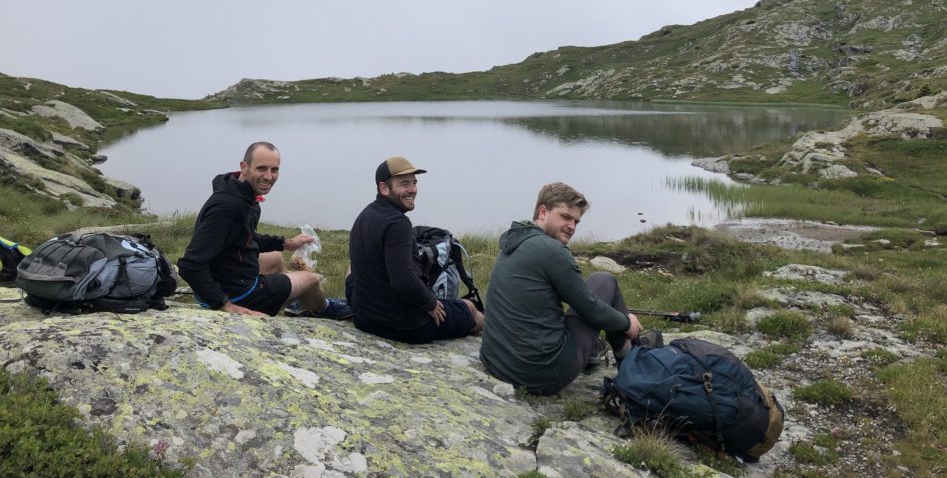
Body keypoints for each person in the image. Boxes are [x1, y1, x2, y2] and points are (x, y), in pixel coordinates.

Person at [480, 182, 644, 395]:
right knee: (603, 281)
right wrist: (626, 322)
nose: (572, 226)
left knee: (584, 298)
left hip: (496, 363)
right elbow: (591, 308)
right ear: (542, 211)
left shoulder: (515, 240)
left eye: (576, 221)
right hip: (542, 374)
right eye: (565, 217)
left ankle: (603, 351)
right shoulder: (554, 251)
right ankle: (629, 361)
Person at [177, 142, 351, 318]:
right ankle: (325, 308)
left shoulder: (240, 191)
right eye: (261, 169)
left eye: (274, 170)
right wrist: (225, 304)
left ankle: (292, 298)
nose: (269, 176)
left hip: (229, 273)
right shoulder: (227, 207)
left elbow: (245, 238)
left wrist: (286, 243)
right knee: (312, 280)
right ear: (244, 167)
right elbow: (190, 265)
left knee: (275, 257)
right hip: (238, 293)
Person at [347, 155, 484, 343]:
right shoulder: (398, 223)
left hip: (364, 318)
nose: (413, 190)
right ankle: (496, 335)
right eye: (404, 184)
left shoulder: (365, 214)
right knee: (469, 308)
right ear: (384, 188)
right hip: (403, 326)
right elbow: (403, 280)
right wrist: (430, 304)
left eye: (414, 183)